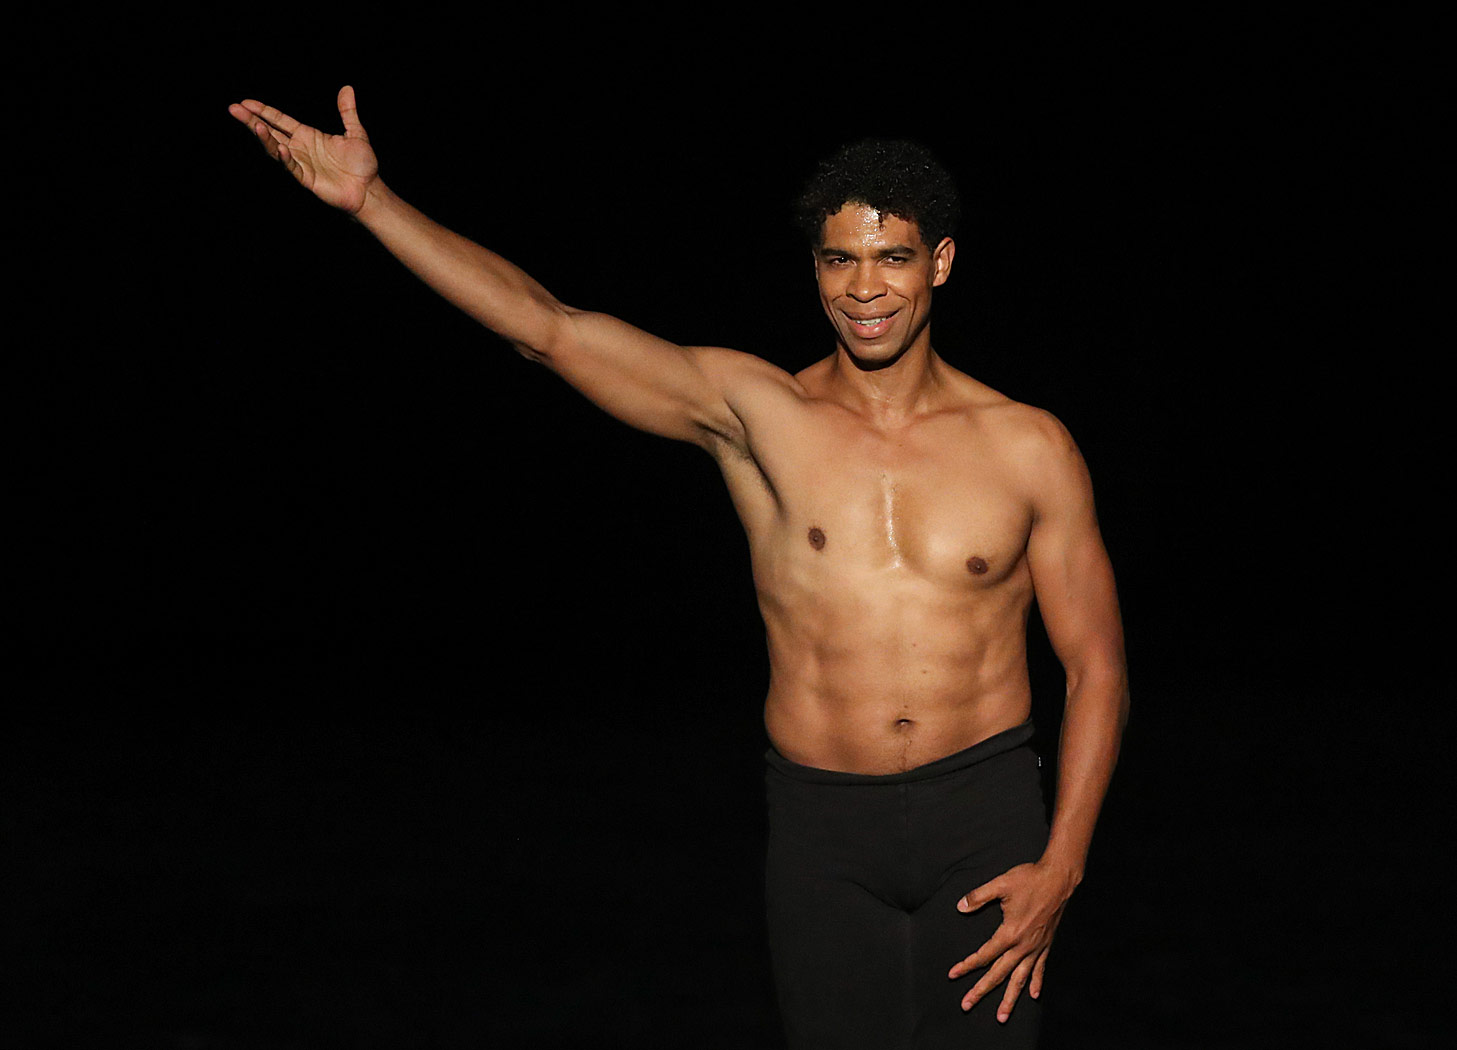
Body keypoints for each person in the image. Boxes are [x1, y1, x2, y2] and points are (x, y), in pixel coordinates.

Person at [229, 86, 1129, 1049]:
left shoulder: (1027, 446)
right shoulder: (757, 413)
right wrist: (373, 204)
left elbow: (1096, 669)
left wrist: (1063, 863)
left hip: (982, 818)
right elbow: (549, 328)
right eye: (839, 259)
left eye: (892, 258)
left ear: (939, 263)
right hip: (824, 828)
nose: (864, 288)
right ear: (814, 267)